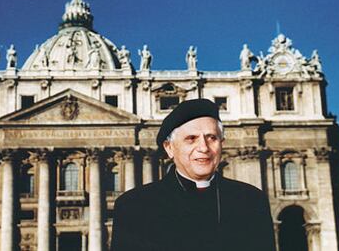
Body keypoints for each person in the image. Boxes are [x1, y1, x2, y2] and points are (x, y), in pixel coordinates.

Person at [111, 99, 275, 251]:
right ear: (169, 148)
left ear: (221, 145)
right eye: (191, 139)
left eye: (212, 138)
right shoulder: (132, 206)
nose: (204, 147)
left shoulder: (252, 201)